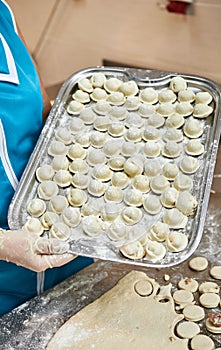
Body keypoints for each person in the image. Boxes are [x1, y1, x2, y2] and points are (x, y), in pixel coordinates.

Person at [0, 0, 93, 316]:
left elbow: (41, 110)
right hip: (5, 286)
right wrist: (2, 245)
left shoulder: (3, 14)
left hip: (68, 249)